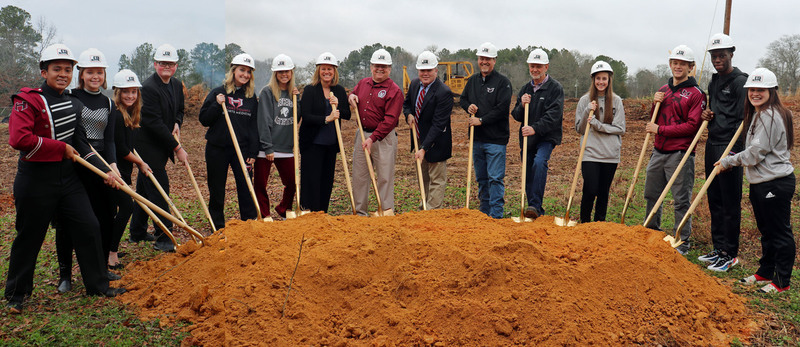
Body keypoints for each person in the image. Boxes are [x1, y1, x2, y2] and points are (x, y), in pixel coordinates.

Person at [5, 44, 126, 314]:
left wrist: (106, 170)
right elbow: (19, 140)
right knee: (29, 236)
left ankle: (98, 284)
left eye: (67, 69)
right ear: (44, 71)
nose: (63, 74)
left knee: (89, 226)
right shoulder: (28, 99)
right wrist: (60, 148)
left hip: (69, 180)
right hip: (35, 179)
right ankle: (16, 293)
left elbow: (83, 145)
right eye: (57, 68)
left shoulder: (73, 103)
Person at [717, 68, 795, 293]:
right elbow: (754, 150)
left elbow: (755, 153)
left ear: (772, 91)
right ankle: (765, 273)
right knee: (767, 230)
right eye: (752, 89)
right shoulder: (761, 113)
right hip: (762, 182)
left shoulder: (769, 115)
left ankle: (782, 281)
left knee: (779, 231)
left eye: (761, 89)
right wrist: (732, 157)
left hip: (775, 182)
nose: (755, 93)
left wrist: (728, 162)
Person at [55, 48, 120, 293]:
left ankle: (101, 268)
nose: (95, 76)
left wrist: (112, 166)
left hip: (102, 169)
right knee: (68, 222)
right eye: (90, 72)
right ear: (81, 74)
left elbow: (110, 140)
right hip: (76, 166)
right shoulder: (70, 98)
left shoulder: (109, 103)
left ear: (104, 75)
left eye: (99, 72)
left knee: (105, 216)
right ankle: (65, 276)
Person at [643, 45, 705, 255]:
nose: (678, 67)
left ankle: (682, 242)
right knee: (652, 194)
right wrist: (655, 104)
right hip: (658, 151)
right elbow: (655, 117)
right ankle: (651, 232)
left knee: (681, 200)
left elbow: (692, 126)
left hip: (681, 153)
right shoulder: (663, 89)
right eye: (675, 63)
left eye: (683, 64)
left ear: (691, 67)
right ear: (670, 64)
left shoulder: (697, 94)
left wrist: (660, 129)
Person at [697, 33, 748, 272]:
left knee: (729, 201)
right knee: (714, 198)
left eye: (722, 55)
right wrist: (707, 114)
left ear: (731, 54)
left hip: (731, 145)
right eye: (714, 56)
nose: (718, 59)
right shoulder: (713, 81)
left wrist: (734, 154)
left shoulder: (740, 82)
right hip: (712, 142)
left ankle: (730, 252)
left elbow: (743, 120)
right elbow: (713, 109)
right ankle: (718, 248)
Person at [130, 43, 188, 252]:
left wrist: (177, 123)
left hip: (161, 144)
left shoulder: (176, 84)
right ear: (155, 64)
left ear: (175, 66)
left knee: (145, 188)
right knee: (159, 188)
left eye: (170, 64)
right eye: (162, 63)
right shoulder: (148, 88)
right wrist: (177, 148)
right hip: (147, 145)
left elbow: (179, 110)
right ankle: (164, 236)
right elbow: (153, 122)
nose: (166, 67)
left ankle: (137, 231)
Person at [199, 53, 259, 227]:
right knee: (217, 190)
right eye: (242, 70)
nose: (245, 75)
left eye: (248, 72)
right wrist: (217, 105)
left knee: (246, 188)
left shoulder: (251, 97)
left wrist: (253, 151)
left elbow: (254, 126)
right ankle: (218, 227)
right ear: (233, 71)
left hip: (242, 150)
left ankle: (249, 225)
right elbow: (204, 119)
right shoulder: (218, 92)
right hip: (217, 149)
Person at [459, 42, 512, 219]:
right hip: (477, 140)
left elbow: (502, 109)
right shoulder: (472, 80)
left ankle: (496, 214)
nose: (484, 62)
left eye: (488, 59)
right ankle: (484, 213)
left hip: (495, 140)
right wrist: (469, 107)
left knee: (495, 178)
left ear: (494, 60)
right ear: (478, 60)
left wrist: (481, 120)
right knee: (481, 178)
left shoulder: (503, 83)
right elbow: (463, 99)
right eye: (482, 58)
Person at [348, 48, 403, 216]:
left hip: (383, 138)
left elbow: (390, 120)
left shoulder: (394, 90)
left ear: (390, 69)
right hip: (362, 135)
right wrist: (350, 97)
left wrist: (373, 138)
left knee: (385, 176)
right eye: (377, 65)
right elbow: (352, 94)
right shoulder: (363, 83)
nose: (380, 69)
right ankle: (360, 212)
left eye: (384, 66)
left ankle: (385, 211)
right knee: (360, 175)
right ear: (371, 66)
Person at [511, 48, 564, 219]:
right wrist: (522, 105)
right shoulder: (525, 89)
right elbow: (516, 115)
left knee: (539, 163)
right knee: (527, 169)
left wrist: (535, 128)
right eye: (532, 66)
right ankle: (534, 208)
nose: (535, 69)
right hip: (527, 138)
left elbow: (554, 116)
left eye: (538, 66)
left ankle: (534, 205)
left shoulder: (555, 88)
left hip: (546, 137)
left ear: (546, 67)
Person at [299, 52, 351, 212]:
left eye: (330, 69)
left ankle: (322, 212)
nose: (326, 72)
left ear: (334, 71)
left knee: (326, 181)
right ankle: (309, 212)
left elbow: (347, 114)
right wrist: (326, 119)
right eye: (323, 69)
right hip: (312, 144)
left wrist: (339, 105)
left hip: (330, 144)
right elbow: (306, 116)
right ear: (318, 71)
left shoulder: (339, 90)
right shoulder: (310, 90)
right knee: (311, 180)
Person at [574, 61, 625, 223]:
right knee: (590, 189)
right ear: (593, 80)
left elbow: (619, 128)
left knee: (603, 192)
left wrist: (596, 124)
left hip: (610, 154)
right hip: (589, 152)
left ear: (609, 80)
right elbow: (580, 129)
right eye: (598, 78)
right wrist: (586, 112)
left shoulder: (616, 101)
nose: (601, 82)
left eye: (604, 78)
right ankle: (585, 223)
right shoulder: (584, 100)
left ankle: (599, 225)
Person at [110, 69, 151, 269]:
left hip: (124, 170)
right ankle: (111, 252)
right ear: (117, 93)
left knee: (117, 210)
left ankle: (110, 248)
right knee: (126, 207)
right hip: (114, 170)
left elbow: (130, 145)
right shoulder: (117, 115)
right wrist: (141, 163)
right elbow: (122, 149)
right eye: (126, 92)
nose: (130, 96)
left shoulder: (130, 115)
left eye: (134, 92)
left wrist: (139, 161)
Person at [402, 51, 453, 209]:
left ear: (436, 71)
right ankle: (425, 204)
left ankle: (432, 213)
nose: (425, 74)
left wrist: (424, 147)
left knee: (436, 179)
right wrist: (408, 114)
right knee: (422, 175)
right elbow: (407, 104)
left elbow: (438, 125)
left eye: (429, 70)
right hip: (419, 138)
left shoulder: (443, 92)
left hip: (437, 141)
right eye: (422, 70)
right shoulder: (415, 84)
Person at [255, 54, 298, 219]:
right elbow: (263, 120)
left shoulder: (293, 93)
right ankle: (264, 214)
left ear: (291, 72)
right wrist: (267, 147)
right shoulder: (267, 92)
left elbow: (296, 118)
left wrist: (297, 100)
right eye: (280, 72)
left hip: (286, 146)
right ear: (275, 73)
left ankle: (283, 208)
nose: (284, 74)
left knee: (292, 183)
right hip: (267, 147)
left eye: (286, 71)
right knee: (260, 184)